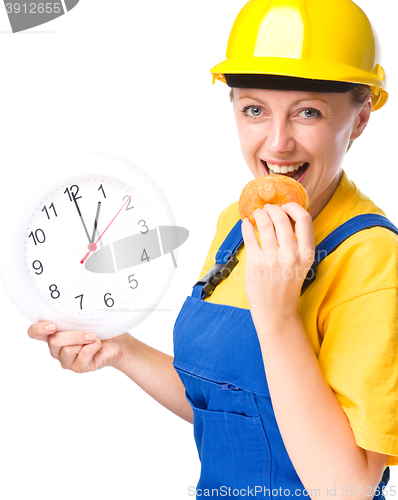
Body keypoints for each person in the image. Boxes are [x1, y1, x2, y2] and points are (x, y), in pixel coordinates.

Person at [27, 0, 398, 498]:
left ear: (360, 119)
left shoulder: (372, 260)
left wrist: (278, 317)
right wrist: (119, 349)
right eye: (254, 110)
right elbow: (226, 403)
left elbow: (347, 488)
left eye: (308, 112)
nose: (277, 142)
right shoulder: (235, 224)